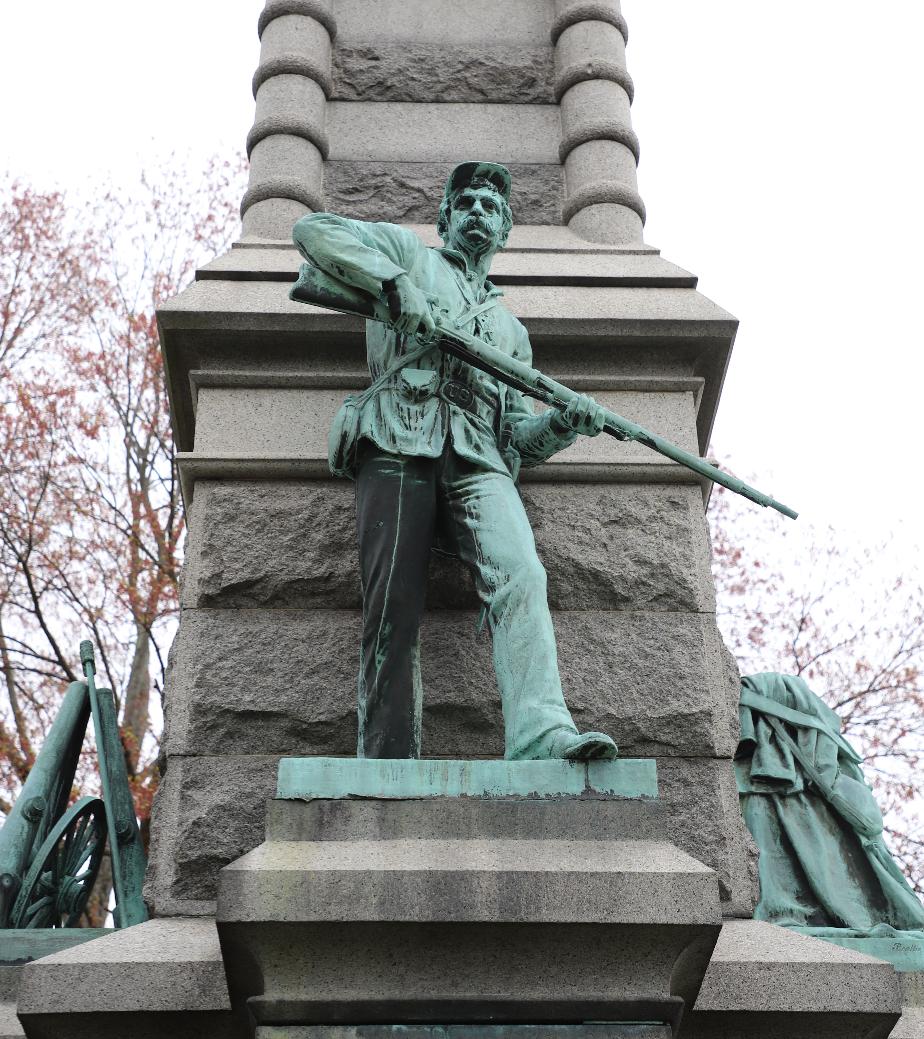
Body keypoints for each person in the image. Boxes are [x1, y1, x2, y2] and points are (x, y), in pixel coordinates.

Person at [293, 161, 619, 762]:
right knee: (392, 602)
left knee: (523, 576)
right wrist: (395, 285)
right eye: (465, 201)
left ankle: (543, 737)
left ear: (504, 230)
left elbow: (518, 436)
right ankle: (388, 759)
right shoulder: (407, 254)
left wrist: (562, 424)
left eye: (490, 207)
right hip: (397, 438)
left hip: (478, 459)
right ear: (445, 217)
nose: (477, 211)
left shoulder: (511, 330)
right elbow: (313, 230)